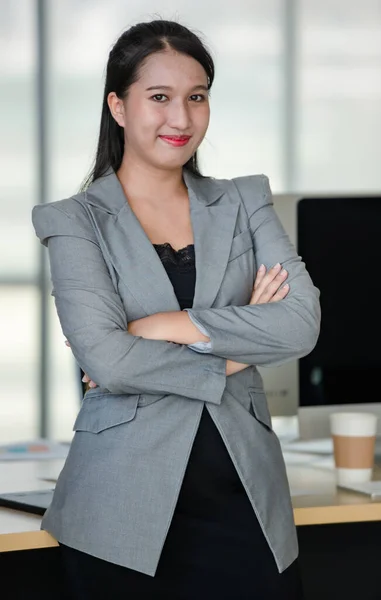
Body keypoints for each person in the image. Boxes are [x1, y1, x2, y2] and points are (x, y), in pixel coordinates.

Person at [32, 19, 320, 600]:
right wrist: (237, 355)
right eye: (159, 97)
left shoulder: (245, 199)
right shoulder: (74, 220)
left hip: (247, 501)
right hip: (118, 509)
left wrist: (158, 328)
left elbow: (300, 323)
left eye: (197, 97)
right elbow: (109, 362)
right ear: (117, 105)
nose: (181, 119)